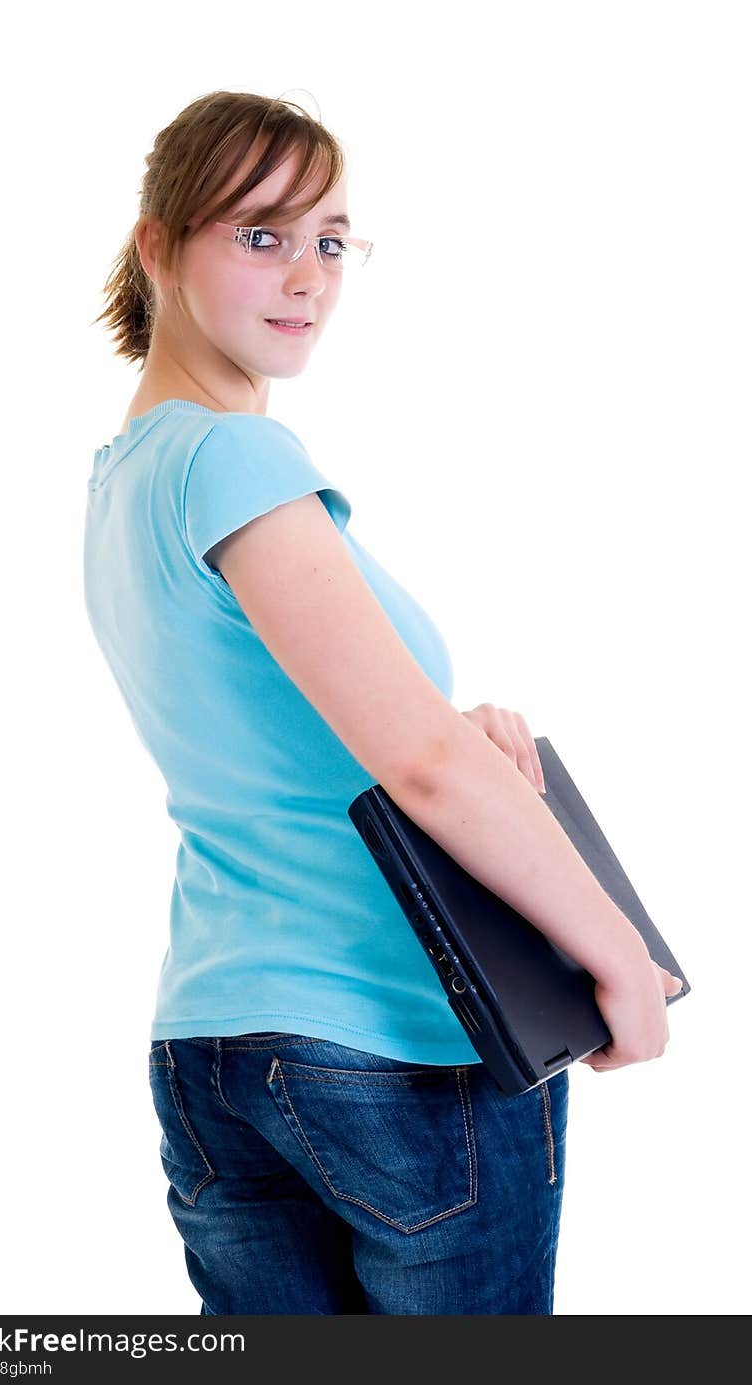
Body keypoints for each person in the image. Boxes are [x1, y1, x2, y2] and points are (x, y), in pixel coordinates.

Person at [84, 89, 682, 1316]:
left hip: (212, 1055)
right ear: (157, 245)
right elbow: (415, 765)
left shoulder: (123, 480)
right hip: (389, 1046)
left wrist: (451, 734)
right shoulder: (235, 458)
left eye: (330, 239)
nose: (307, 276)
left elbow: (276, 739)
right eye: (260, 235)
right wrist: (617, 955)